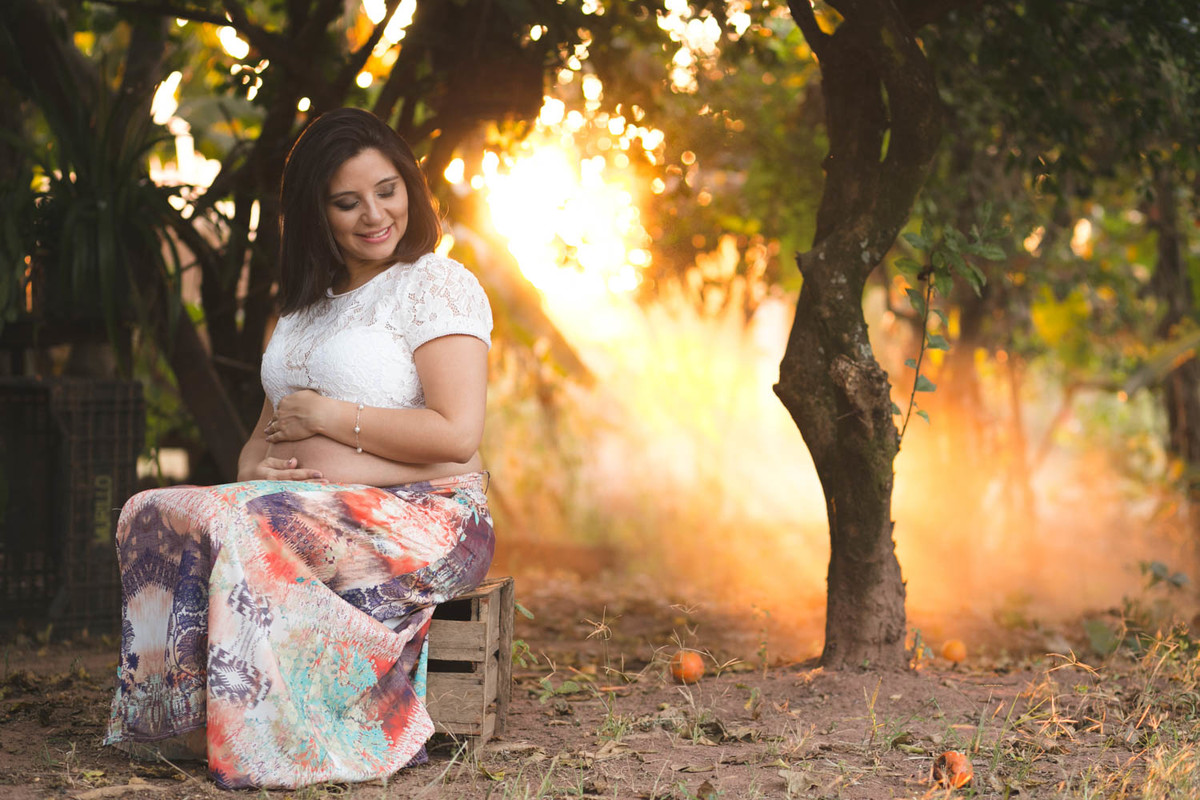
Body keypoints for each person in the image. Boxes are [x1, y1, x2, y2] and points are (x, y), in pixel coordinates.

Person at [104, 108, 495, 790]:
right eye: (348, 202)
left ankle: (262, 731)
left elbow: (457, 435)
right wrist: (255, 466)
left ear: (411, 187)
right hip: (305, 507)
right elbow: (264, 440)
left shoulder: (435, 283)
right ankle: (178, 718)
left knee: (254, 522)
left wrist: (333, 418)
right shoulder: (303, 309)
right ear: (317, 213)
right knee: (151, 507)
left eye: (388, 190)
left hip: (430, 518)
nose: (375, 214)